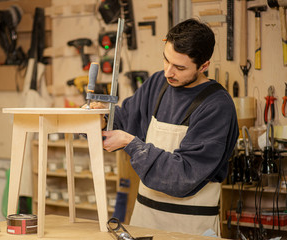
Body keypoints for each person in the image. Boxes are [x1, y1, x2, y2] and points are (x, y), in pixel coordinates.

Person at [89, 18, 239, 236]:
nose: (169, 72)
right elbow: (124, 122)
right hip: (145, 218)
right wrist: (101, 118)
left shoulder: (217, 106)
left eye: (179, 67)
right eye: (166, 60)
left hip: (189, 225)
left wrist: (130, 144)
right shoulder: (158, 83)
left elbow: (183, 175)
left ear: (204, 66)